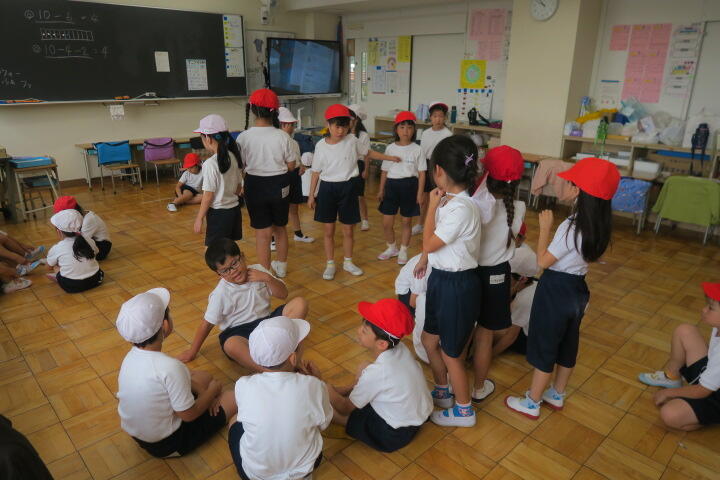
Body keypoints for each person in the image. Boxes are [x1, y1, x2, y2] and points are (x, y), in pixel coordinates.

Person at [506, 157, 619, 419]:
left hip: (556, 288)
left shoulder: (571, 226)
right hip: (578, 289)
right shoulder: (599, 224)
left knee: (545, 343)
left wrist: (545, 229)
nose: (562, 185)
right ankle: (557, 394)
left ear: (578, 190)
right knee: (568, 341)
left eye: (568, 182)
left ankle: (532, 402)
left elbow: (543, 262)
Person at [116, 287, 237, 457]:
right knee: (232, 397)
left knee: (203, 377)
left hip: (140, 435)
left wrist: (204, 392)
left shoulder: (130, 358)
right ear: (165, 325)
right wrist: (212, 392)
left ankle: (203, 395)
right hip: (169, 443)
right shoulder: (171, 367)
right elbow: (188, 415)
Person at [413, 135, 482, 427]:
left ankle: (464, 410)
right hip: (441, 279)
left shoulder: (461, 208)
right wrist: (425, 260)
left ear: (439, 170)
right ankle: (443, 390)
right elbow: (434, 248)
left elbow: (429, 241)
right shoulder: (449, 201)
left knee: (452, 353)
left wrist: (431, 207)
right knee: (429, 339)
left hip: (458, 285)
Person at [308, 299, 432, 452]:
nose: (358, 330)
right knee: (364, 366)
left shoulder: (378, 372)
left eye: (364, 331)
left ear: (382, 344)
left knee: (323, 409)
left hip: (393, 435)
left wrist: (321, 384)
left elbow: (345, 408)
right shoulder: (401, 349)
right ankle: (350, 390)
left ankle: (345, 423)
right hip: (415, 418)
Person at [177, 238, 308, 372]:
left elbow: (283, 294)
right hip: (240, 332)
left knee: (300, 303)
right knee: (231, 345)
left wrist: (267, 278)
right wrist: (192, 351)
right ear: (219, 274)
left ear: (243, 256)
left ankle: (285, 350)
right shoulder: (220, 293)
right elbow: (207, 324)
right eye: (225, 271)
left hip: (267, 323)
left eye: (234, 263)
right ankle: (271, 372)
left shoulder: (259, 270)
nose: (233, 271)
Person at [229, 316, 332, 479]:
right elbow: (323, 423)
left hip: (256, 475)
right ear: (293, 358)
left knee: (234, 420)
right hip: (304, 470)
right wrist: (317, 381)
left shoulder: (243, 384)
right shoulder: (313, 385)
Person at [472, 145, 526, 405]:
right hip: (497, 276)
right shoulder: (519, 207)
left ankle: (450, 382)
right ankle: (478, 388)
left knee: (462, 330)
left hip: (468, 272)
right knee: (484, 335)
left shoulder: (474, 205)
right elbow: (520, 239)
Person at [638, 282, 720, 431]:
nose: (704, 309)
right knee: (684, 330)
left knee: (670, 414)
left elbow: (702, 391)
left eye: (710, 308)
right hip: (712, 376)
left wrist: (667, 393)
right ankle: (672, 377)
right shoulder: (718, 326)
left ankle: (711, 417)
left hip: (714, 396)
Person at [237, 89, 295, 278]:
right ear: (275, 111)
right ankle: (283, 266)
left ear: (252, 109)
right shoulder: (283, 136)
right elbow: (291, 165)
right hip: (280, 184)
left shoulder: (243, 137)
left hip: (255, 185)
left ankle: (265, 272)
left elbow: (241, 166)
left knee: (262, 233)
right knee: (280, 228)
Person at [377, 111, 426, 265]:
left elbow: (422, 174)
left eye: (409, 128)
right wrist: (381, 189)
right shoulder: (390, 148)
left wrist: (420, 193)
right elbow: (384, 171)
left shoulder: (418, 149)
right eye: (402, 127)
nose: (406, 131)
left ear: (414, 130)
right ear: (396, 129)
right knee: (386, 223)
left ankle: (404, 250)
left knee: (406, 222)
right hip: (391, 186)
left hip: (410, 186)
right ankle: (392, 248)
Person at [192, 114, 243, 247]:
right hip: (234, 211)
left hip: (219, 215)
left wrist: (199, 218)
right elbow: (238, 188)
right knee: (230, 249)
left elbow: (208, 196)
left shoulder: (210, 164)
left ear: (208, 138)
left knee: (213, 252)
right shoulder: (233, 156)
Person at [491, 234, 538, 357]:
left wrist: (488, 356)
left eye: (508, 276)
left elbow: (510, 337)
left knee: (488, 332)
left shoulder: (525, 300)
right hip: (535, 330)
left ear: (522, 279)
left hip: (531, 342)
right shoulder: (531, 282)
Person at [414, 101, 452, 235]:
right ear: (430, 117)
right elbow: (422, 152)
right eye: (435, 116)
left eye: (441, 116)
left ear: (445, 118)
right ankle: (420, 224)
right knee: (423, 196)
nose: (438, 119)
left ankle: (435, 225)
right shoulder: (425, 133)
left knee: (438, 197)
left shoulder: (448, 134)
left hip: (440, 166)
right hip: (426, 165)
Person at [278, 106, 314, 244]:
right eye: (291, 125)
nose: (293, 128)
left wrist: (301, 166)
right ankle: (274, 238)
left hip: (294, 177)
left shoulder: (294, 142)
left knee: (294, 207)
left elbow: (297, 159)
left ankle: (298, 234)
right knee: (279, 209)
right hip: (282, 177)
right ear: (283, 124)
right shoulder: (277, 141)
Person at [46, 209, 104, 293]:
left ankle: (59, 277)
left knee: (55, 266)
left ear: (59, 232)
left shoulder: (57, 248)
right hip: (96, 279)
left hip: (72, 286)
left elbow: (48, 267)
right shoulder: (88, 240)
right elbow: (96, 252)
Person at [395, 253, 431, 363]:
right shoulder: (425, 267)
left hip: (420, 288)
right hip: (407, 293)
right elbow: (413, 302)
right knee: (423, 315)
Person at [53, 196, 112, 261]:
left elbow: (80, 241)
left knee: (72, 254)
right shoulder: (80, 217)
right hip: (89, 241)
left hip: (102, 247)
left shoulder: (88, 220)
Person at [348, 104, 372, 231]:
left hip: (359, 164)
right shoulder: (344, 133)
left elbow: (367, 155)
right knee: (348, 194)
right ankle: (351, 218)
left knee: (360, 195)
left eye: (352, 118)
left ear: (357, 120)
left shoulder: (363, 135)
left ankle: (365, 219)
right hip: (347, 165)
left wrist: (366, 170)